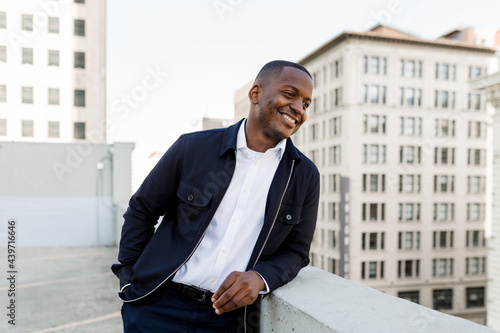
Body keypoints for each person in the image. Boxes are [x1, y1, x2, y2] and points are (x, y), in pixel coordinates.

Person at [112, 60, 320, 332]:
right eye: (290, 95)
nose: (298, 109)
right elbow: (142, 209)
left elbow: (296, 251)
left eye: (305, 104)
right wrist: (129, 278)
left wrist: (260, 277)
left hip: (229, 320)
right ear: (255, 94)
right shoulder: (193, 147)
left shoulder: (304, 175)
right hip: (158, 306)